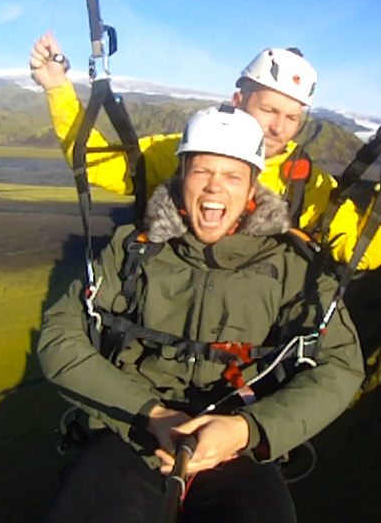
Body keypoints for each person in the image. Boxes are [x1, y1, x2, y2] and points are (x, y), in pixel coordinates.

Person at [37, 106, 364, 522]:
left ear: (252, 188)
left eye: (231, 176)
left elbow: (341, 364)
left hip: (239, 440)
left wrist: (246, 431)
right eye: (201, 172)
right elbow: (61, 335)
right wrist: (149, 414)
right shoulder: (133, 249)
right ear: (180, 177)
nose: (214, 189)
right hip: (134, 430)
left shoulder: (295, 265)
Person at [28, 32, 381, 271]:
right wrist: (57, 88)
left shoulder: (306, 180)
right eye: (268, 109)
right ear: (239, 100)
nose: (278, 127)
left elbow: (362, 253)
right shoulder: (186, 153)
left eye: (291, 116)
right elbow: (99, 164)